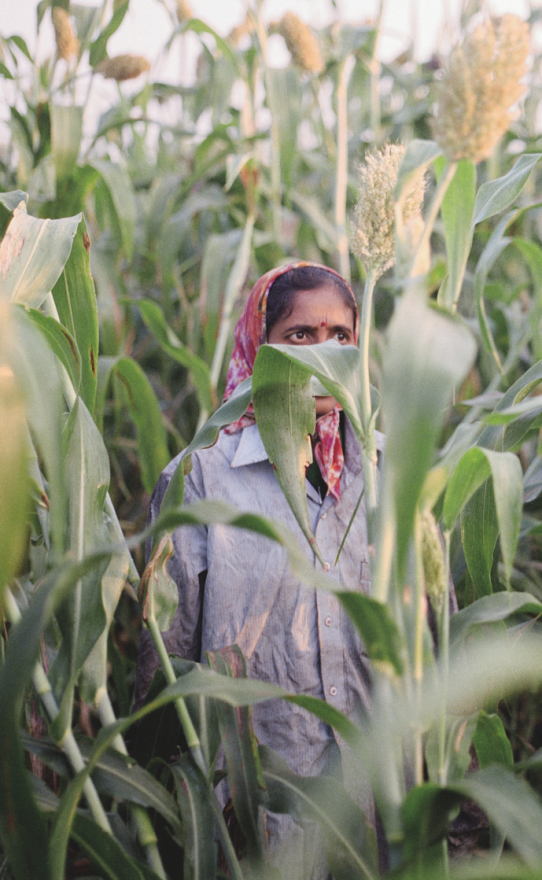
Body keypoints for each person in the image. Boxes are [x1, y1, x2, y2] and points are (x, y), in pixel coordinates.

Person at [135, 260, 379, 874]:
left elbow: (438, 640)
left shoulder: (388, 476)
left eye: (340, 337)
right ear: (259, 347)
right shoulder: (202, 478)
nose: (325, 354)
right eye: (300, 336)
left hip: (383, 818)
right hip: (254, 828)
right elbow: (164, 665)